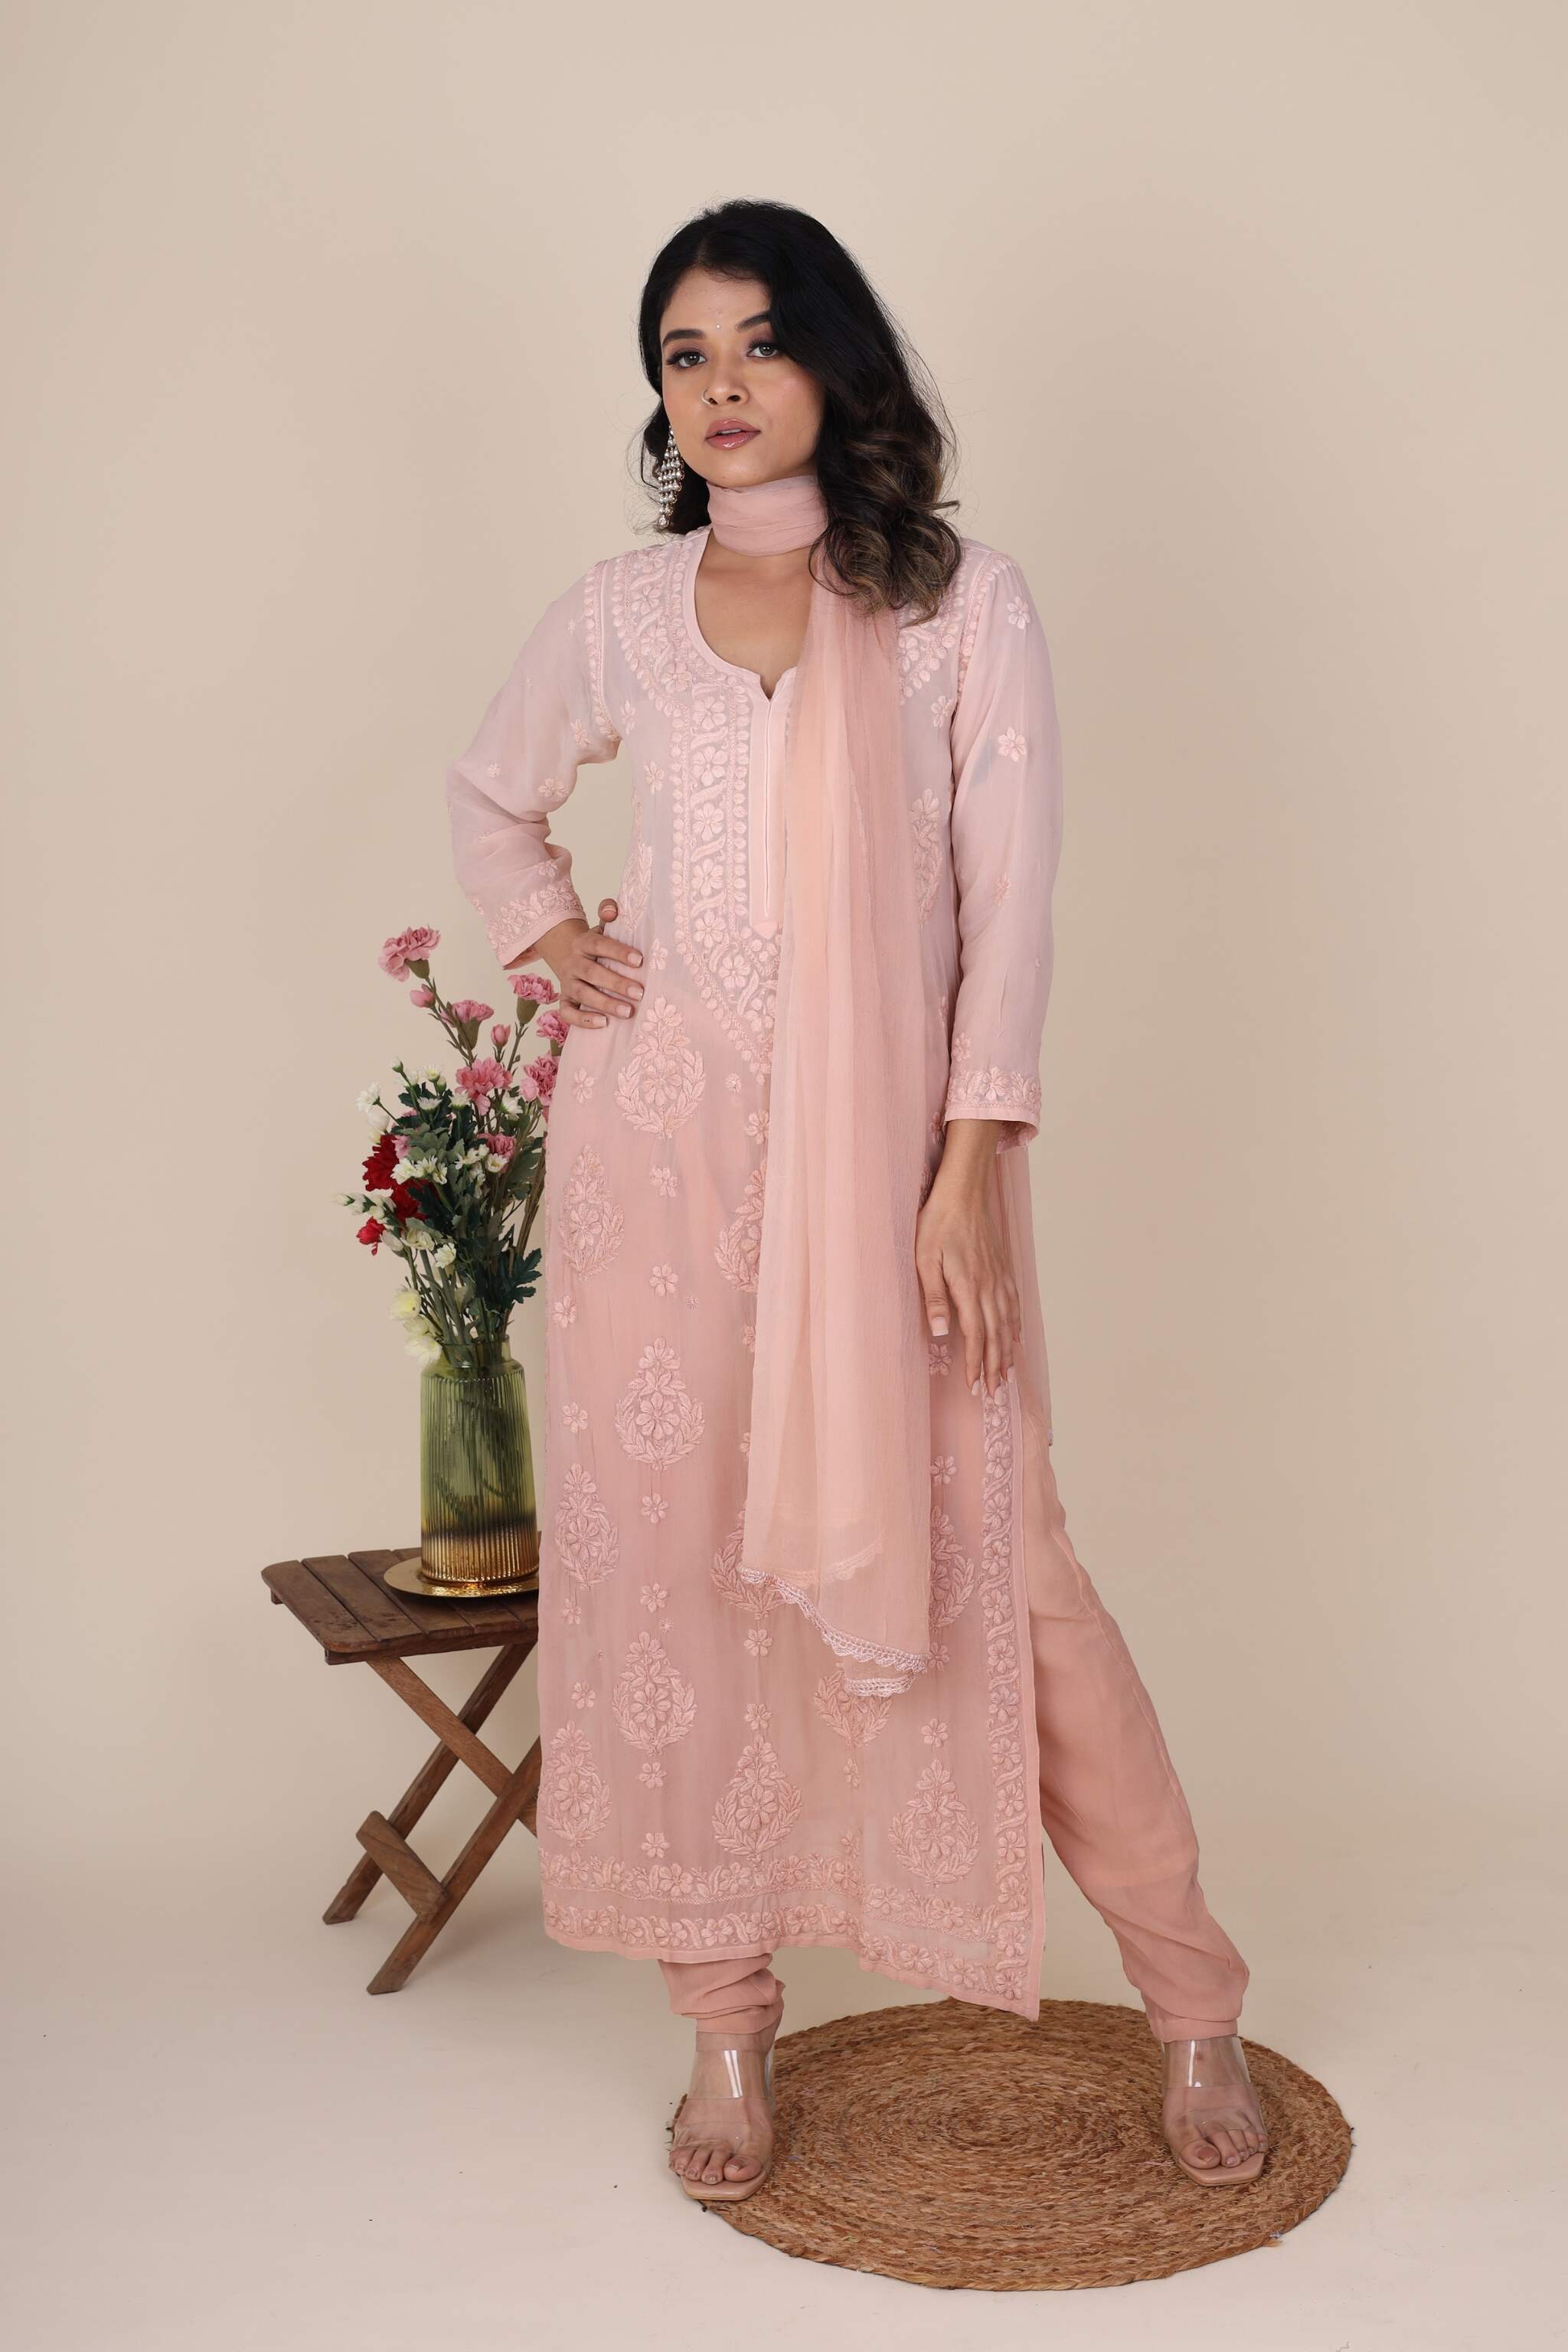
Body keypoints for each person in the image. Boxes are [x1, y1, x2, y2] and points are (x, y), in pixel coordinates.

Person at [446, 199, 1267, 2202]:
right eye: (680, 355)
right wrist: (549, 933)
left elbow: (1014, 898)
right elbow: (493, 796)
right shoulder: (623, 614)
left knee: (1027, 1593)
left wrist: (972, 1166)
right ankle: (727, 2039)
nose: (717, 388)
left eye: (753, 342)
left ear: (834, 359)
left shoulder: (958, 605)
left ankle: (1195, 2003)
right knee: (683, 1594)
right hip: (661, 1186)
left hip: (897, 1188)